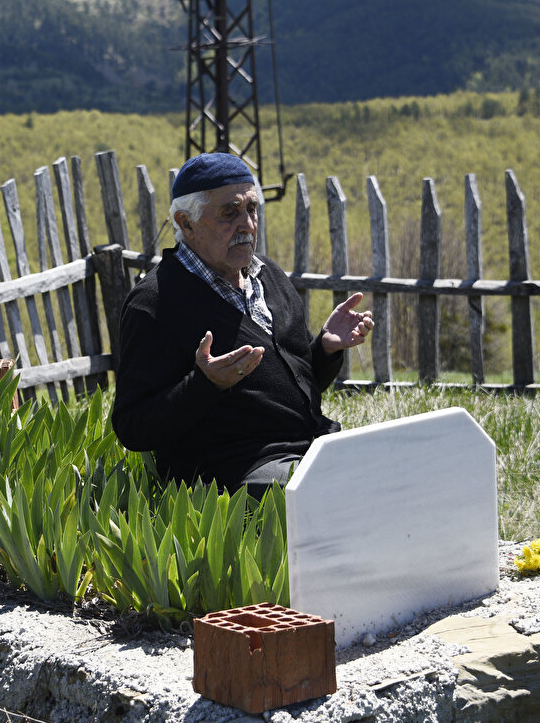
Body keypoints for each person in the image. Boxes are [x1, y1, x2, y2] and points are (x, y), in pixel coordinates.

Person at [110, 152, 374, 496]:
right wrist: (205, 385)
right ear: (186, 223)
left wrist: (325, 349)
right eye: (229, 213)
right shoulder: (156, 303)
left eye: (252, 209)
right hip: (235, 472)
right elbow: (133, 428)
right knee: (348, 491)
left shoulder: (269, 276)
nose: (247, 224)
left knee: (406, 463)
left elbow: (289, 392)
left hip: (311, 450)